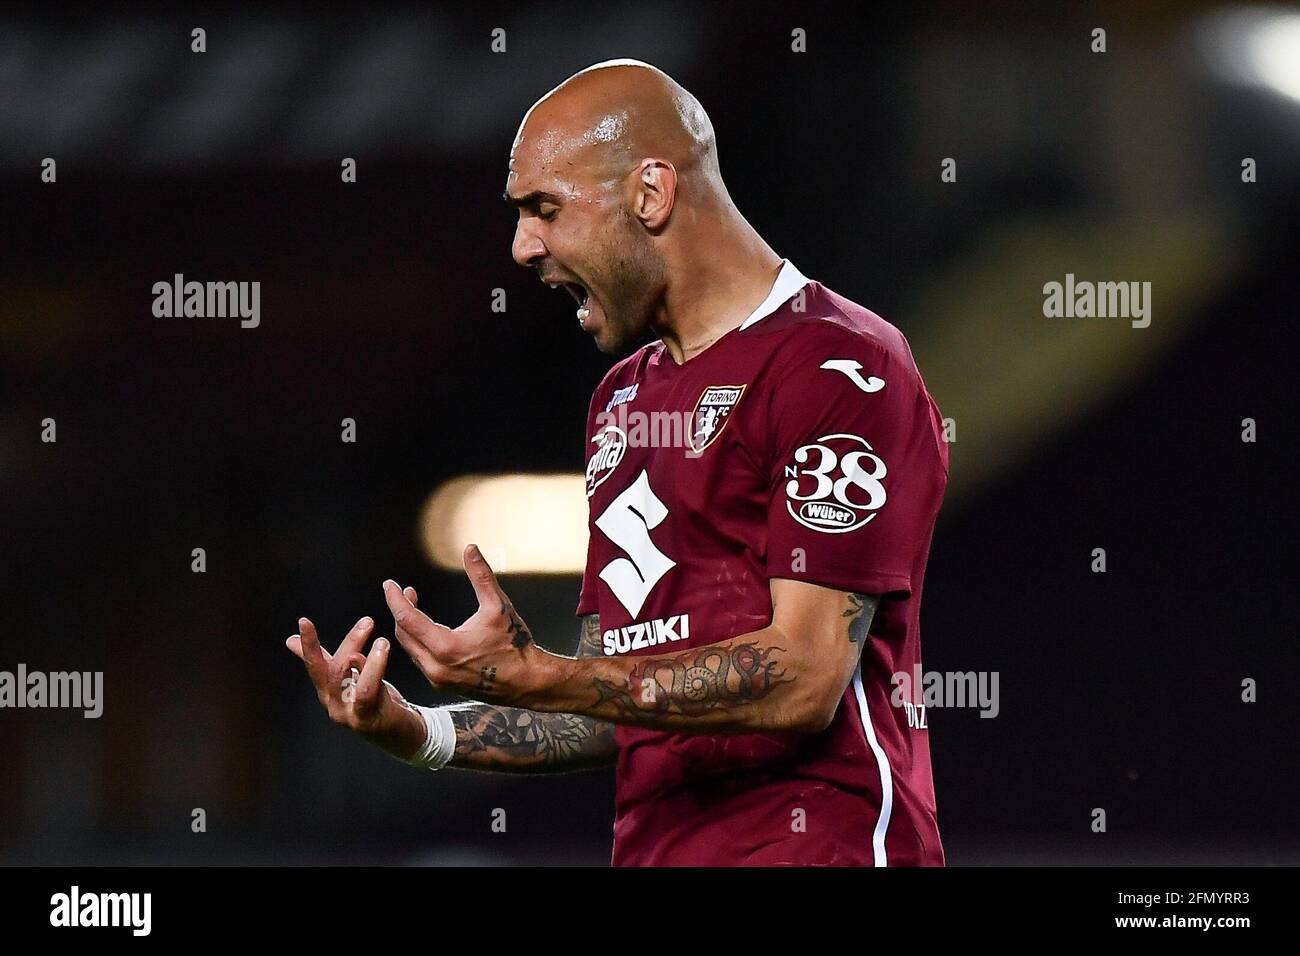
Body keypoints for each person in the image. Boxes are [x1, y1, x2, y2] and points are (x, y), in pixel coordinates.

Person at [288, 59, 949, 866]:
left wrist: (540, 675)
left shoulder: (840, 366)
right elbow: (610, 695)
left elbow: (805, 677)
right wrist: (419, 730)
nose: (523, 246)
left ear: (651, 193)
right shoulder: (623, 402)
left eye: (545, 209)